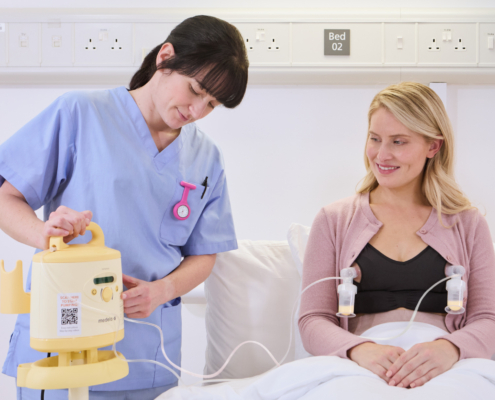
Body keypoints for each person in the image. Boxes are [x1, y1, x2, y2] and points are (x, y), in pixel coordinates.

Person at [0, 15, 248, 400]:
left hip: (148, 358)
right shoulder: (81, 114)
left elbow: (205, 253)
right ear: (166, 57)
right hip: (63, 348)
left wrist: (163, 290)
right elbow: (5, 198)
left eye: (211, 104)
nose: (197, 110)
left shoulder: (206, 158)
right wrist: (43, 233)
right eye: (195, 90)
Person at [299, 82, 495, 389]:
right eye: (375, 138)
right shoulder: (333, 221)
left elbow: (488, 318)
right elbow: (312, 320)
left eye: (398, 142)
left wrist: (450, 349)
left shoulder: (468, 224)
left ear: (433, 147)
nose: (382, 154)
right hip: (360, 368)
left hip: (447, 369)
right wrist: (360, 350)